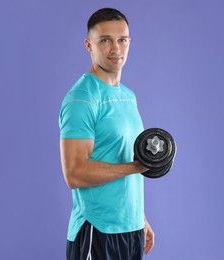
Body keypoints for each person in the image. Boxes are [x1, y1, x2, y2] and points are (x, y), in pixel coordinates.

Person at [59, 8, 154, 259]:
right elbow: (74, 173)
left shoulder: (128, 96)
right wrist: (136, 166)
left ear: (129, 42)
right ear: (88, 44)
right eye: (105, 40)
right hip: (97, 230)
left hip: (130, 229)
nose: (116, 48)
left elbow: (118, 153)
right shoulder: (82, 98)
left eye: (122, 39)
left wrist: (139, 217)